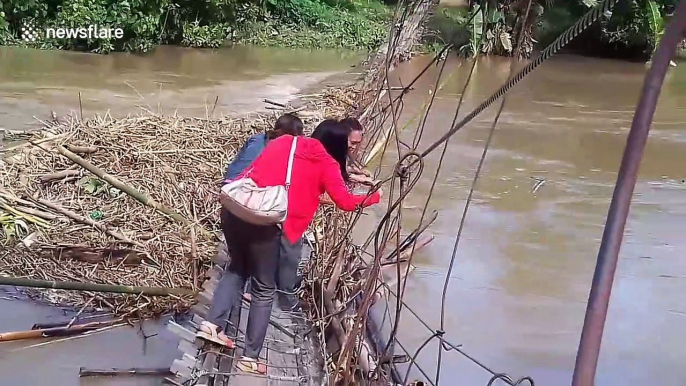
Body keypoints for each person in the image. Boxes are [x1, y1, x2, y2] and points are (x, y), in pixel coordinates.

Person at [198, 120, 382, 375]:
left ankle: (211, 326)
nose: (353, 150)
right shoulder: (326, 163)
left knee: (237, 268)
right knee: (263, 288)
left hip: (234, 208)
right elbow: (346, 202)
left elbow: (251, 173)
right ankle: (250, 358)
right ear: (338, 144)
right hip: (263, 221)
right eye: (350, 145)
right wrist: (376, 197)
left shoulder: (284, 142)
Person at [222, 114, 304, 304]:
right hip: (248, 202)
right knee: (274, 245)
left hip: (230, 195)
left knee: (238, 264)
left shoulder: (256, 139)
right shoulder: (278, 150)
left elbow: (237, 169)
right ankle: (272, 292)